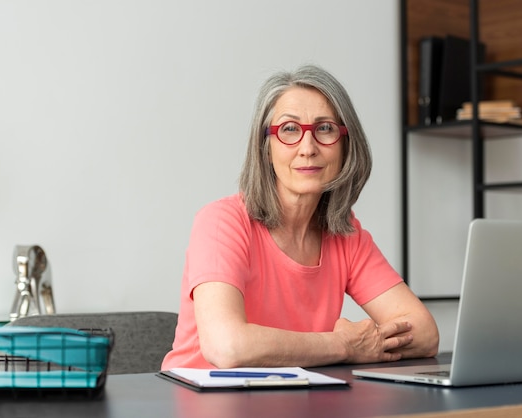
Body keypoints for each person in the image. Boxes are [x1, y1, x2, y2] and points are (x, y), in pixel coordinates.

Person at [161, 64, 439, 370]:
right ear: (265, 147)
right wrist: (343, 345)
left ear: (346, 146)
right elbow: (227, 347)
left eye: (325, 129)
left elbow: (424, 334)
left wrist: (355, 346)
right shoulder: (221, 222)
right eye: (289, 129)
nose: (308, 148)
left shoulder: (347, 236)